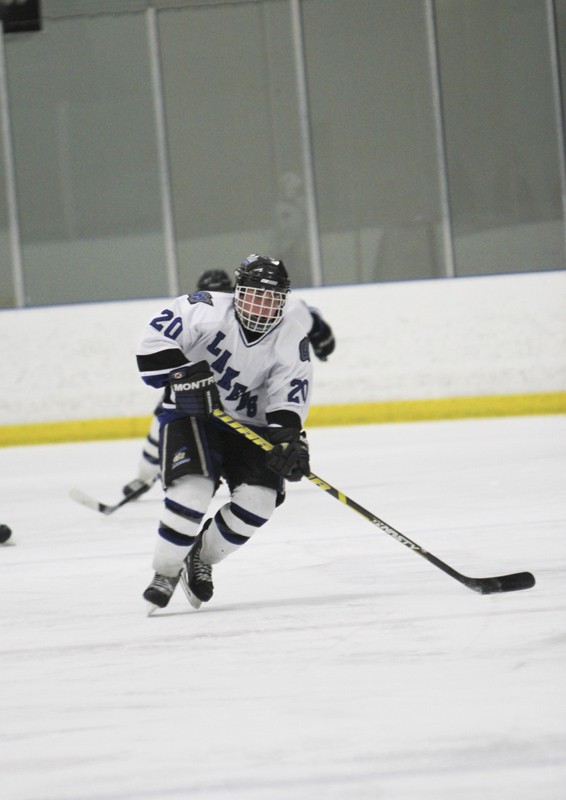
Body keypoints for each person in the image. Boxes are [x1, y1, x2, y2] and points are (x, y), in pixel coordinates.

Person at [137, 254, 313, 609]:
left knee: (259, 505)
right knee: (192, 494)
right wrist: (183, 374)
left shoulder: (292, 340)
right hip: (191, 415)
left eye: (272, 298)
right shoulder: (202, 310)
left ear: (284, 301)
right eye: (254, 295)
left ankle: (199, 557)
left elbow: (286, 406)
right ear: (238, 292)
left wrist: (289, 443)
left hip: (250, 427)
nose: (262, 306)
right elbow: (150, 350)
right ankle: (166, 570)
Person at [122, 266, 335, 497]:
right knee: (169, 415)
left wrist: (322, 338)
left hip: (244, 400)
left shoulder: (272, 313)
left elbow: (308, 317)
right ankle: (145, 475)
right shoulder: (203, 316)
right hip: (200, 385)